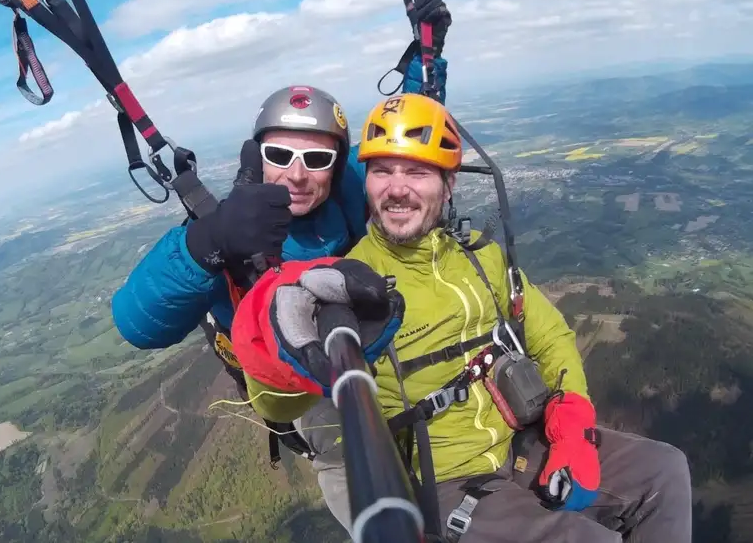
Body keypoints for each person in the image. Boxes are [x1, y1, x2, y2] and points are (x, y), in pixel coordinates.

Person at [229, 93, 693, 542]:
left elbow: (549, 333)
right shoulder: (349, 284)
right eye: (383, 171)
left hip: (518, 441)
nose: (397, 188)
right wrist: (282, 358)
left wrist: (573, 421)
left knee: (665, 473)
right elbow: (275, 405)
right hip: (446, 482)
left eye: (417, 171)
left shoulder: (480, 258)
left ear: (449, 184)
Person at [109, 0, 454, 504]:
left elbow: (402, 155)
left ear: (336, 165)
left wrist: (426, 52)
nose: (296, 174)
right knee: (351, 461)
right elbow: (136, 321)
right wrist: (207, 242)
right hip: (297, 384)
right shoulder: (223, 233)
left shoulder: (344, 194)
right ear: (257, 157)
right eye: (279, 156)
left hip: (368, 342)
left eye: (316, 158)